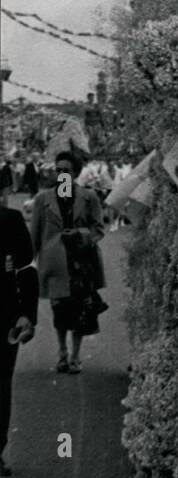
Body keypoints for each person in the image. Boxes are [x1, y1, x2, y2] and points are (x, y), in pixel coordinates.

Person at [29, 150, 107, 374]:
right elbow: (34, 235)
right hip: (55, 263)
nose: (62, 174)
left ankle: (75, 356)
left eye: (67, 171)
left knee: (80, 310)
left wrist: (80, 234)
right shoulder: (43, 200)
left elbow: (98, 230)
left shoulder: (89, 197)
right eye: (59, 170)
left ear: (76, 173)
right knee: (60, 310)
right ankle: (62, 353)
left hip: (81, 263)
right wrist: (30, 264)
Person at [1, 205, 39, 476]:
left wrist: (27, 314)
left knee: (0, 387)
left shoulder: (9, 219)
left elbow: (26, 267)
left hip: (3, 318)